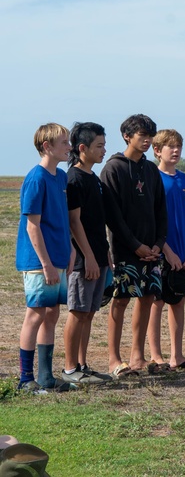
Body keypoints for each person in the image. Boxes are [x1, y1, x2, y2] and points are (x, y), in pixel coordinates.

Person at [101, 114, 168, 377]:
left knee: (148, 298)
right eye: (142, 135)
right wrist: (135, 245)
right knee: (121, 300)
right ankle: (114, 360)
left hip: (152, 251)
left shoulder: (151, 169)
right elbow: (113, 217)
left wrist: (158, 243)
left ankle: (137, 357)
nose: (147, 140)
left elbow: (161, 209)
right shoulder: (113, 169)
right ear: (128, 136)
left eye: (150, 135)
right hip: (126, 250)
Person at [16, 124, 74, 393]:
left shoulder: (60, 177)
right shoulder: (36, 178)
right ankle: (25, 379)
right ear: (47, 146)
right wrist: (46, 264)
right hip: (40, 262)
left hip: (59, 258)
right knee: (35, 314)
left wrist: (71, 250)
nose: (69, 147)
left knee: (52, 313)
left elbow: (62, 219)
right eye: (64, 142)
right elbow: (32, 226)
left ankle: (46, 376)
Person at [147, 129, 185, 370]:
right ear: (157, 151)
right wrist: (166, 250)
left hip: (183, 253)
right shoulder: (152, 179)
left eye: (179, 146)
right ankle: (155, 355)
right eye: (170, 146)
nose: (176, 150)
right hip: (159, 252)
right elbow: (150, 221)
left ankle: (176, 355)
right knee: (155, 302)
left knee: (177, 301)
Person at [62, 122, 112, 384]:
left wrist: (105, 254)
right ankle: (70, 370)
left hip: (99, 255)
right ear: (82, 148)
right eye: (99, 146)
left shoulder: (93, 178)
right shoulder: (74, 178)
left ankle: (82, 364)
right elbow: (74, 222)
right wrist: (89, 256)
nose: (104, 150)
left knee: (90, 312)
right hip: (84, 260)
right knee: (77, 311)